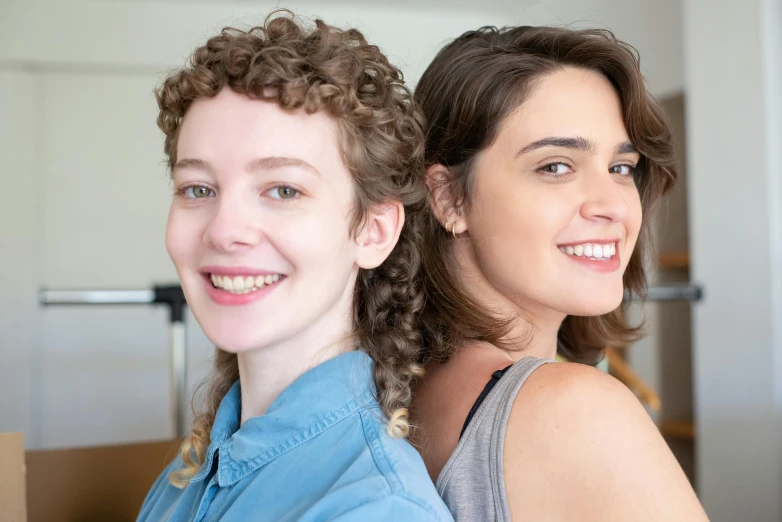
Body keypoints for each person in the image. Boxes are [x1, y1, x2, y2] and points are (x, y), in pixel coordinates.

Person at [137, 11, 453, 522]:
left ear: (372, 231)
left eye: (283, 190)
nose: (224, 229)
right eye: (199, 188)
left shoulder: (376, 508)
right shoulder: (187, 474)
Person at [409, 25, 710, 521]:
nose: (614, 204)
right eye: (555, 166)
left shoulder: (407, 386)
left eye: (621, 167)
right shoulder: (576, 410)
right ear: (448, 197)